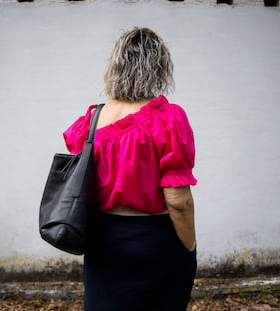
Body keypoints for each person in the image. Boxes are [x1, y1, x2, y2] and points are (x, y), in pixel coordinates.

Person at [63, 27, 197, 311]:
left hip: (103, 240)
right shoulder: (168, 118)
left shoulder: (92, 119)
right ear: (159, 66)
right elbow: (179, 200)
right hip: (155, 240)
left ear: (116, 66)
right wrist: (190, 247)